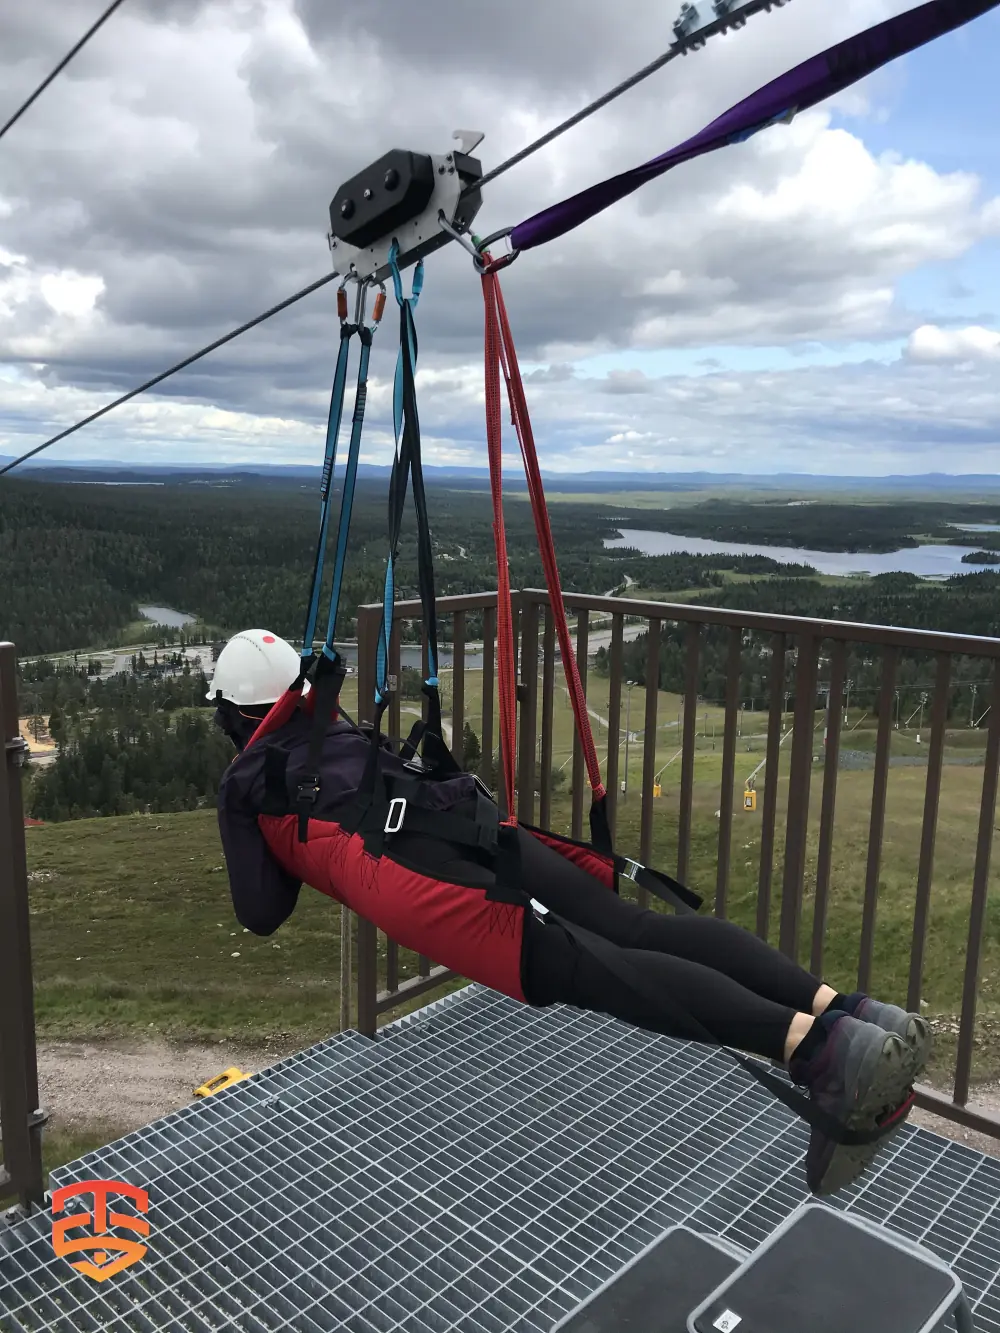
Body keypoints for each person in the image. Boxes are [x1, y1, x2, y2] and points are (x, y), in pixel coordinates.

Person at [210, 629, 928, 1198]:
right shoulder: (334, 727)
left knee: (605, 971)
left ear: (234, 714)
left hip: (424, 881)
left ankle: (822, 1049)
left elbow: (262, 910)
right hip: (472, 823)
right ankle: (853, 1013)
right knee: (638, 932)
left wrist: (245, 820)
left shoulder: (250, 779)